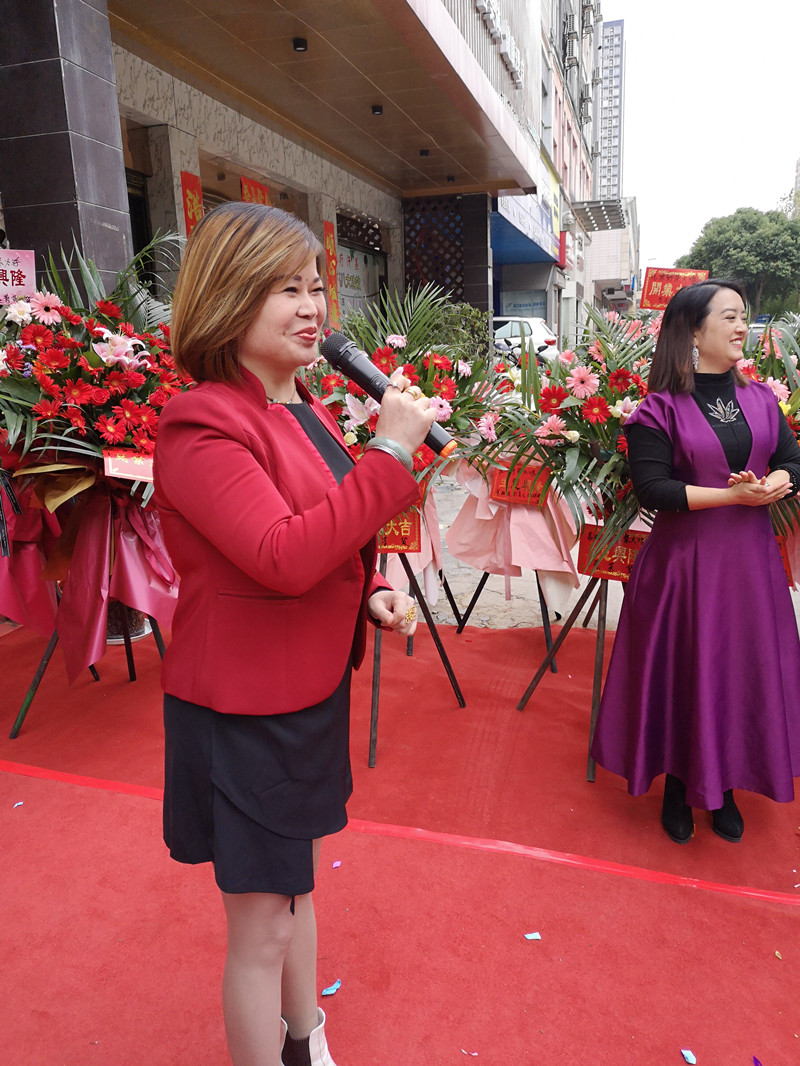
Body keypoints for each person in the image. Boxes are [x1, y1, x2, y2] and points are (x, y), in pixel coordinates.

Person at [153, 202, 435, 1066]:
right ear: (231, 297)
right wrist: (388, 455)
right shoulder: (203, 422)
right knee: (264, 923)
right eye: (287, 288)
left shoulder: (303, 406)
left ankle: (306, 1038)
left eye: (316, 287)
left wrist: (377, 586)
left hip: (305, 692)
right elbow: (280, 555)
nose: (313, 307)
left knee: (294, 891)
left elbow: (334, 530)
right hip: (242, 708)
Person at [591, 279, 800, 844]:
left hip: (751, 568)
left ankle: (727, 785)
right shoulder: (658, 410)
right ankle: (681, 787)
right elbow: (652, 489)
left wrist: (773, 484)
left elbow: (791, 461)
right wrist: (732, 496)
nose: (741, 327)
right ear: (693, 330)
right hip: (686, 569)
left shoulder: (760, 399)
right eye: (729, 317)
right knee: (687, 671)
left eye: (743, 317)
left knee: (738, 671)